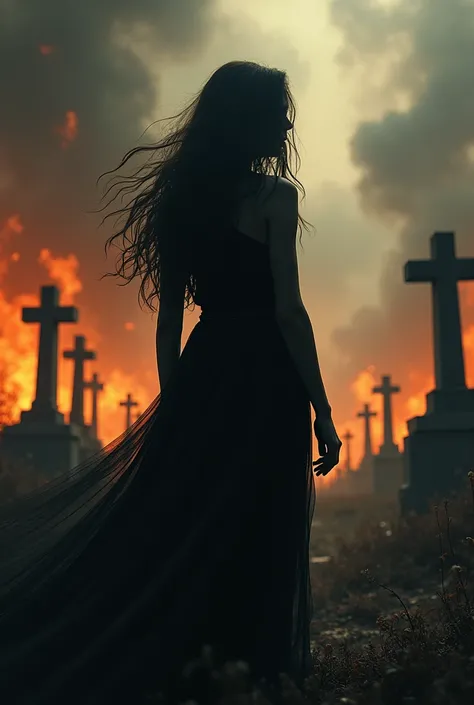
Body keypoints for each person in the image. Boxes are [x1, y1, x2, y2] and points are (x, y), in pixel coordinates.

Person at [0, 60, 341, 704]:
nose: (287, 124)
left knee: (194, 515)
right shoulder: (274, 197)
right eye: (279, 113)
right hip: (266, 373)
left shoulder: (184, 199)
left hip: (207, 366)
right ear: (253, 121)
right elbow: (288, 310)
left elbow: (169, 321)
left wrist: (178, 398)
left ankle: (198, 658)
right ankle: (249, 663)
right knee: (255, 515)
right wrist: (322, 407)